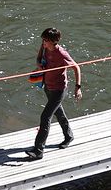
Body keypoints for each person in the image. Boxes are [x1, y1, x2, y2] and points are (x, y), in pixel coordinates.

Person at [26, 27, 81, 159]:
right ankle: (69, 136)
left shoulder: (62, 54)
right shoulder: (44, 47)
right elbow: (38, 59)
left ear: (53, 41)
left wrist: (78, 87)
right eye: (43, 39)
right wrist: (39, 65)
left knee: (45, 117)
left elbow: (76, 67)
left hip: (59, 90)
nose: (43, 42)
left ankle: (38, 150)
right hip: (48, 86)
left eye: (45, 40)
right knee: (59, 113)